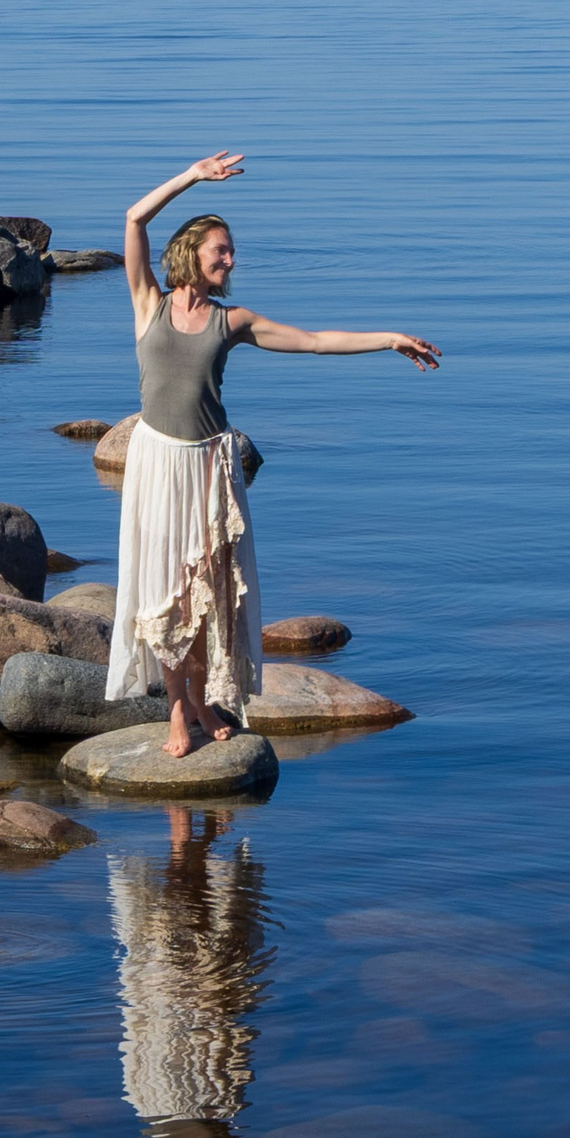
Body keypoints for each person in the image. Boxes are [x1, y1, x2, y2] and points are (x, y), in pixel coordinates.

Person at [112, 152, 440, 757]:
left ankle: (207, 701)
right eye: (221, 250)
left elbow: (314, 342)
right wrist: (191, 175)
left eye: (231, 252)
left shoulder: (230, 321)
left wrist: (386, 338)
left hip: (210, 466)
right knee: (164, 595)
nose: (231, 260)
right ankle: (178, 712)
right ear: (193, 253)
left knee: (208, 595)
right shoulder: (147, 304)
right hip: (157, 463)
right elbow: (134, 218)